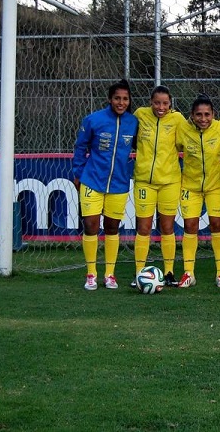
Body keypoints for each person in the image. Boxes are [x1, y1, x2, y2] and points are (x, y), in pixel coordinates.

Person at [73, 80, 138, 290]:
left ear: (129, 101)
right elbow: (80, 146)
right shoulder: (93, 120)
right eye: (117, 98)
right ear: (110, 99)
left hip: (119, 184)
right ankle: (91, 273)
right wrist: (78, 173)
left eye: (125, 99)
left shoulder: (133, 122)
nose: (121, 102)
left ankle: (110, 274)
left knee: (112, 228)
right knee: (91, 226)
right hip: (92, 180)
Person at [132, 85, 186, 287]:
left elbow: (191, 136)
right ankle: (139, 272)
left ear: (170, 104)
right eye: (157, 103)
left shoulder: (178, 119)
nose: (160, 107)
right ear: (150, 102)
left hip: (170, 182)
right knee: (144, 228)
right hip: (144, 180)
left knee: (167, 227)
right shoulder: (140, 115)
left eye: (165, 103)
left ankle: (169, 272)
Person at [175, 96, 220, 288]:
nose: (203, 118)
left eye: (207, 114)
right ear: (192, 115)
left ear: (214, 115)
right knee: (190, 226)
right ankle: (188, 273)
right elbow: (172, 149)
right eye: (198, 114)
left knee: (217, 225)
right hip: (190, 186)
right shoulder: (182, 130)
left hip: (217, 185)